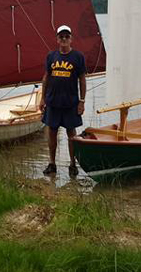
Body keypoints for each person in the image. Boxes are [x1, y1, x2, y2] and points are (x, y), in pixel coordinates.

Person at [39, 24, 87, 178]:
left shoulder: (78, 57)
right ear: (57, 39)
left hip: (70, 103)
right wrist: (42, 98)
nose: (64, 39)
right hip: (53, 103)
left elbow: (82, 80)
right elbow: (46, 77)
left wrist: (82, 101)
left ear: (71, 39)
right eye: (61, 37)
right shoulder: (51, 56)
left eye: (67, 36)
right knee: (51, 133)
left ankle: (72, 165)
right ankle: (52, 164)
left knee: (71, 134)